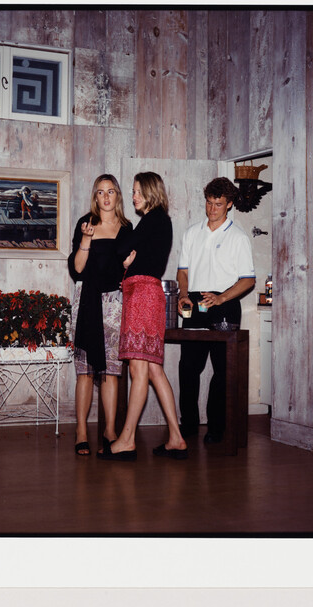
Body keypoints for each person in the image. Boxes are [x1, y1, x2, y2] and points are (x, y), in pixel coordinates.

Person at [99, 171, 188, 461]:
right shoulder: (158, 222)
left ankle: (126, 440)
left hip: (142, 295)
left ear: (150, 192)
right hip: (148, 295)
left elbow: (121, 249)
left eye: (137, 191)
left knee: (138, 370)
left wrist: (128, 255)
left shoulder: (153, 220)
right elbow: (127, 253)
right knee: (152, 370)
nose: (133, 196)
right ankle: (176, 437)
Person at [176, 177, 256, 444]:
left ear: (229, 204)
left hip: (224, 305)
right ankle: (187, 426)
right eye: (209, 203)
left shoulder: (238, 237)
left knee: (223, 371)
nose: (212, 209)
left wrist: (221, 299)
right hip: (196, 304)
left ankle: (216, 428)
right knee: (188, 368)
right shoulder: (191, 233)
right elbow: (183, 271)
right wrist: (184, 295)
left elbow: (248, 280)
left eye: (218, 204)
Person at [68, 175, 133, 456]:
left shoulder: (128, 228)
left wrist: (130, 265)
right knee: (85, 371)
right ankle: (82, 430)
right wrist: (85, 238)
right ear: (95, 197)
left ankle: (109, 430)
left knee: (111, 372)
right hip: (88, 303)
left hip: (115, 304)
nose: (106, 197)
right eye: (100, 192)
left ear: (118, 196)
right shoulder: (86, 223)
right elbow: (76, 270)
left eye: (111, 192)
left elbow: (133, 271)